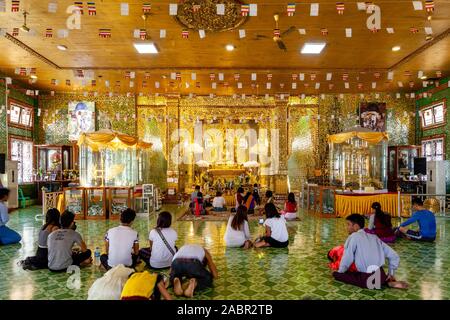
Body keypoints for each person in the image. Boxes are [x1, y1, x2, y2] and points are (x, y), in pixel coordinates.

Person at [333, 214, 407, 289]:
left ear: (356, 226)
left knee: (338, 274)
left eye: (348, 224)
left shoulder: (354, 236)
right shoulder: (374, 237)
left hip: (367, 280)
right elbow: (394, 256)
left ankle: (382, 283)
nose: (346, 227)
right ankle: (387, 281)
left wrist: (340, 272)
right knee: (361, 272)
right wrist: (391, 275)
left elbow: (347, 258)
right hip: (381, 275)